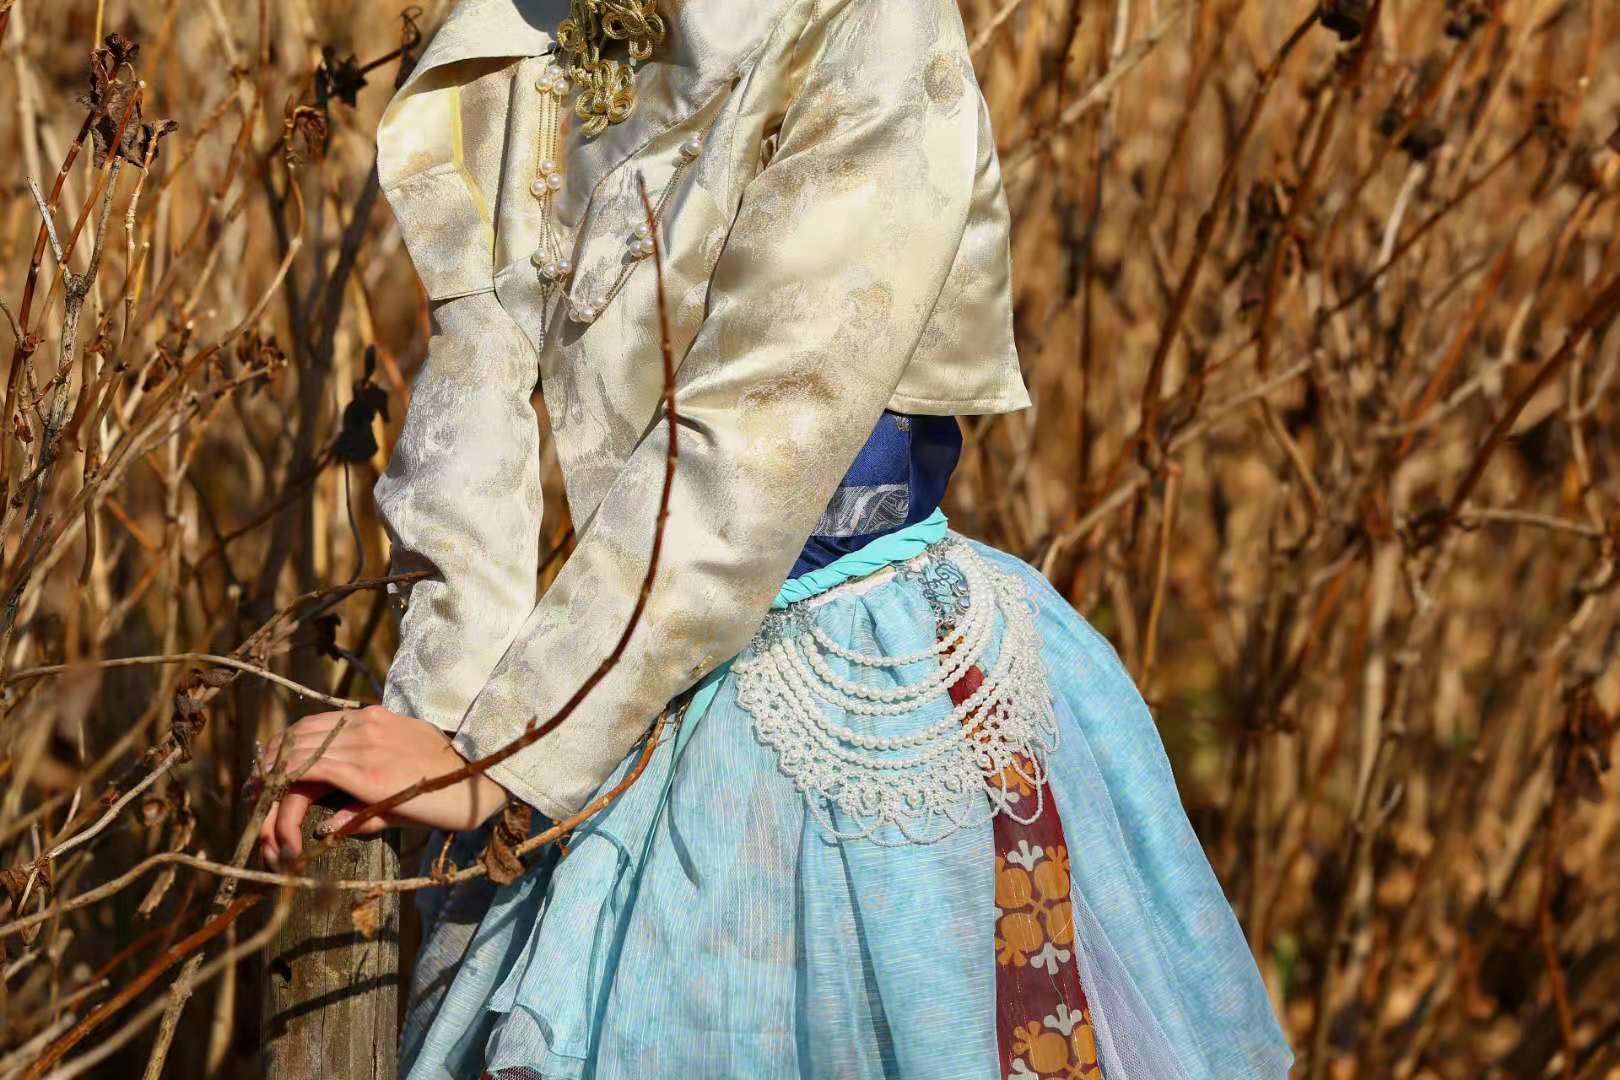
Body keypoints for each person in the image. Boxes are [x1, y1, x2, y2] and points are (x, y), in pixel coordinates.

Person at [257, 1, 1293, 1076]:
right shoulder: (527, 23)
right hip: (600, 692)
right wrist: (432, 729)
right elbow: (475, 409)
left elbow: (763, 425)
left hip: (848, 693)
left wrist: (513, 753)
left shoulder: (869, 18)